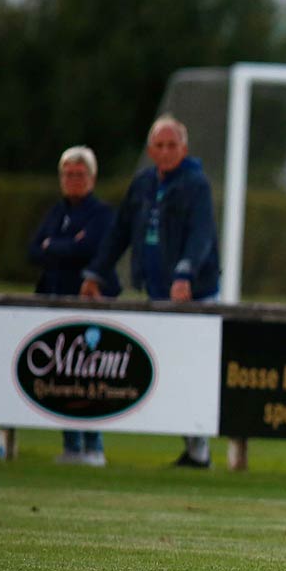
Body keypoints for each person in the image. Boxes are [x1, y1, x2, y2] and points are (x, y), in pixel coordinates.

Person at [80, 116, 220, 469]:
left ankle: (199, 450)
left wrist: (185, 273)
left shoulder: (195, 184)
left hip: (194, 295)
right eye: (159, 145)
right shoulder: (143, 184)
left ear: (184, 149)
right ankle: (192, 448)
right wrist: (96, 272)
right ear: (150, 150)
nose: (166, 151)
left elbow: (201, 235)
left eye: (172, 145)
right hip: (156, 291)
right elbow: (120, 232)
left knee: (192, 371)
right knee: (167, 370)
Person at [29, 145, 117, 466]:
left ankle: (94, 446)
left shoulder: (102, 214)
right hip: (55, 305)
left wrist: (55, 246)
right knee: (62, 379)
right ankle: (71, 446)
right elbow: (34, 250)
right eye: (68, 174)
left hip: (88, 305)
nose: (73, 180)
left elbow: (90, 248)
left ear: (92, 178)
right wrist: (66, 246)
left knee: (89, 378)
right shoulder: (57, 212)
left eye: (79, 174)